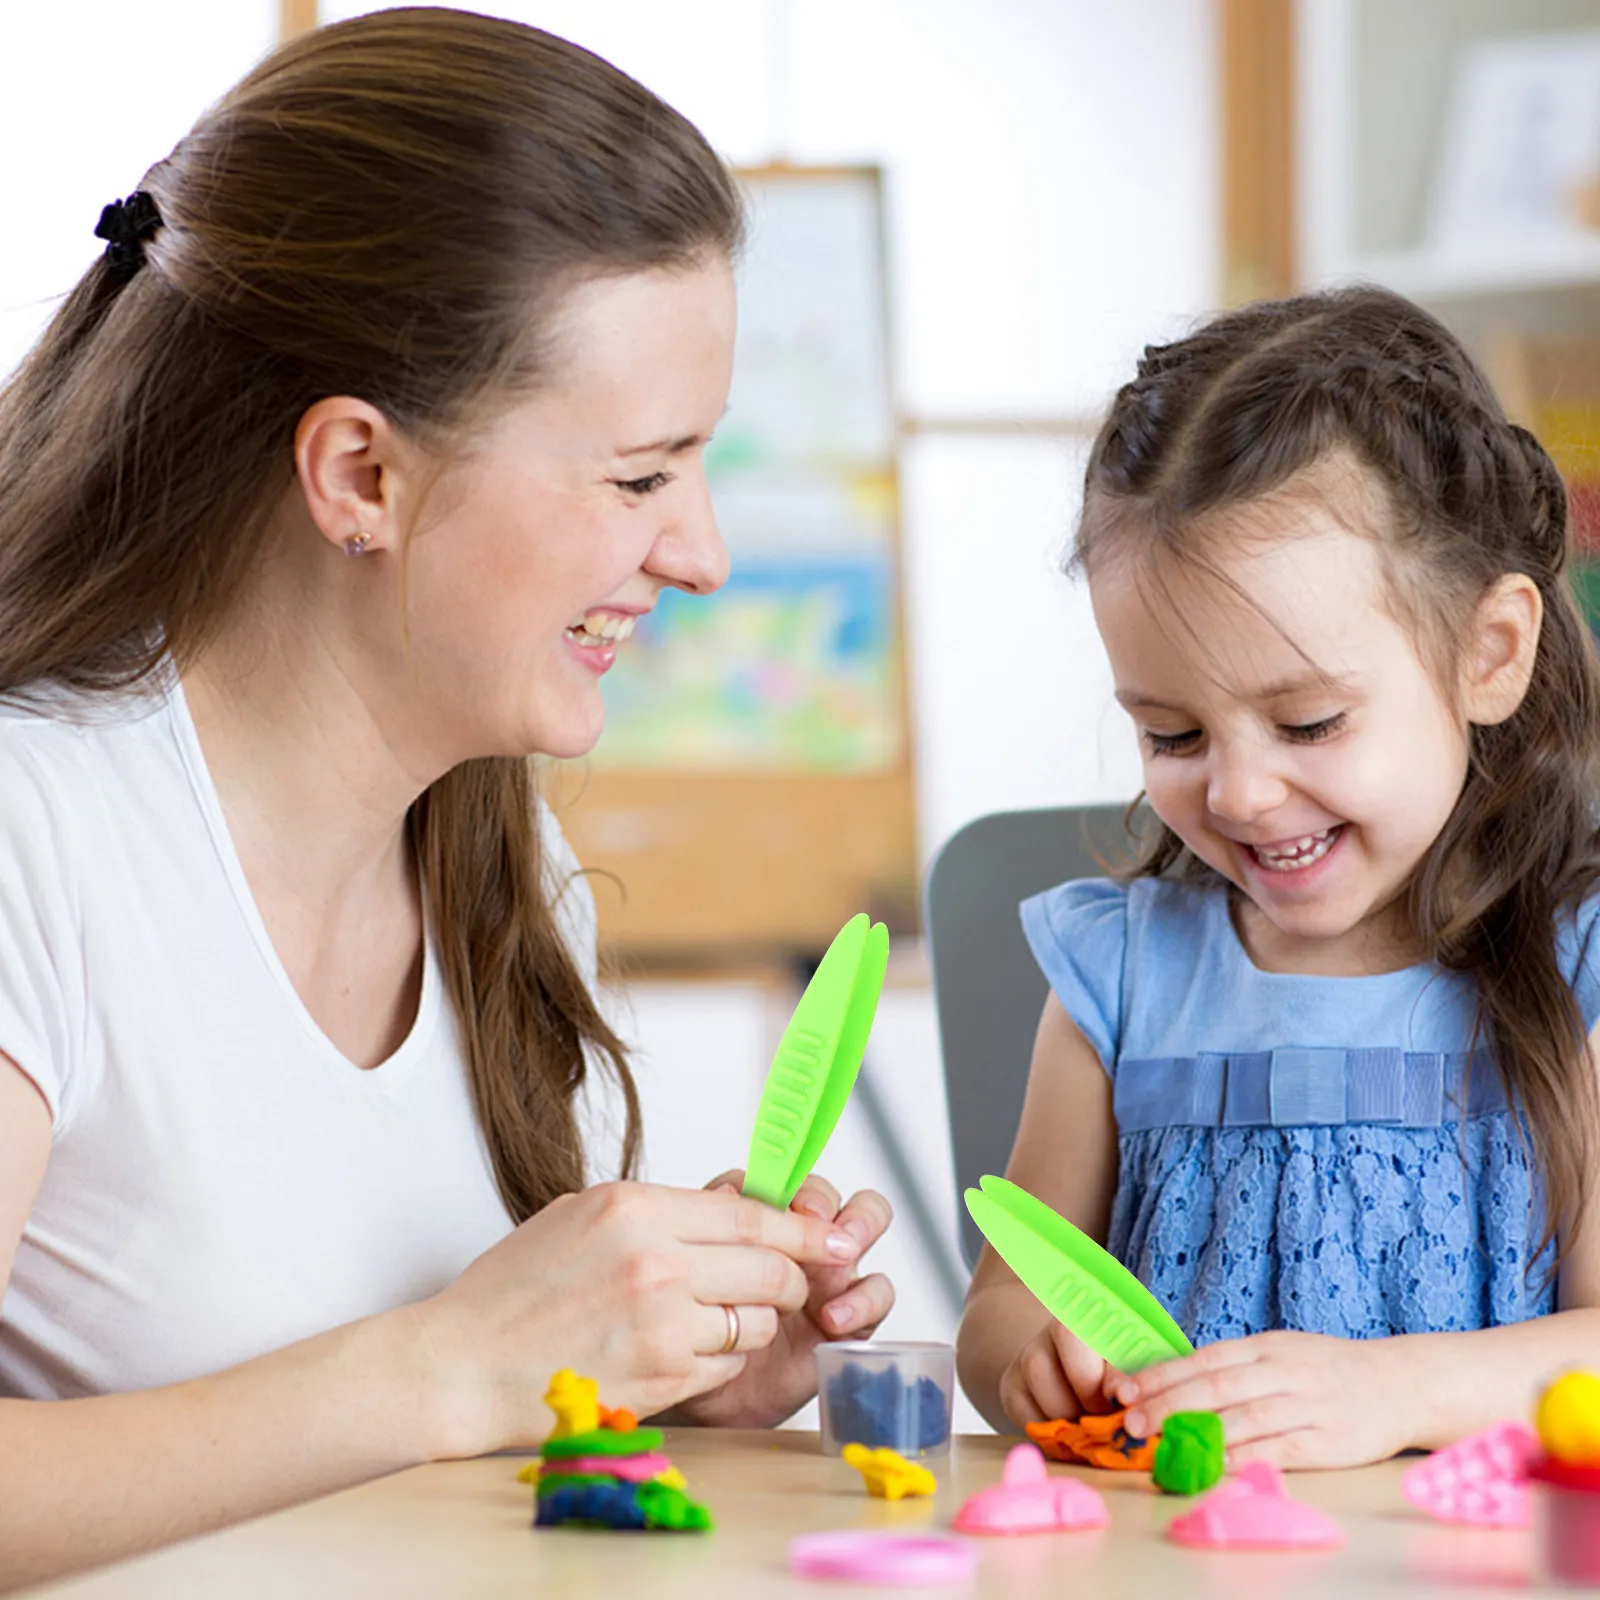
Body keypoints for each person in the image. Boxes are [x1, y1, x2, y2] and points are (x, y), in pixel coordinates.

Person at [0, 9, 893, 1586]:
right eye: (639, 476)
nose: (702, 554)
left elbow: (403, 1467)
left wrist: (629, 1378)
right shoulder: (36, 829)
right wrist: (457, 1364)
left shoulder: (495, 847)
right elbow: (421, 1388)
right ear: (361, 475)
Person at [957, 285, 1600, 1470]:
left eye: (1307, 722)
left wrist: (1391, 1393)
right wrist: (1030, 1360)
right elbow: (1003, 1299)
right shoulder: (1121, 975)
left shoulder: (1578, 974)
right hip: (1170, 1550)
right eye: (1172, 735)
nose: (1241, 794)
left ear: (1488, 654)